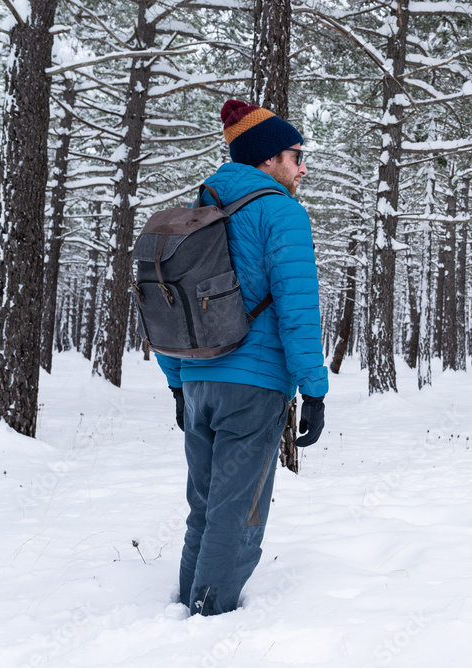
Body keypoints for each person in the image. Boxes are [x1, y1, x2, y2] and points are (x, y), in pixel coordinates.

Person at [156, 99, 328, 616]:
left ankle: (184, 609)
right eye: (296, 155)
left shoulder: (197, 211)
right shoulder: (281, 211)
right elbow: (299, 308)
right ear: (268, 157)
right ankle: (208, 622)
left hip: (197, 379)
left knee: (205, 508)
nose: (303, 167)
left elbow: (167, 304)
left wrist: (177, 381)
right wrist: (313, 390)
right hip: (253, 386)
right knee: (239, 512)